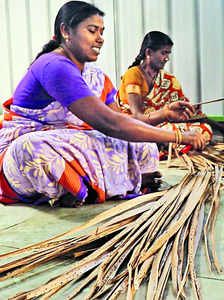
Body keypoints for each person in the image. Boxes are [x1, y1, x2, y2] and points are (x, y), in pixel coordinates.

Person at [0, 1, 205, 207]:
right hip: (26, 153)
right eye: (92, 31)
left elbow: (122, 120)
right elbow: (111, 124)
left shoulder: (95, 75)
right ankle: (96, 185)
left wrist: (164, 114)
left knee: (143, 145)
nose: (100, 38)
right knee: (31, 147)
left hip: (72, 140)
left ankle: (93, 184)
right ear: (66, 31)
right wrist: (179, 136)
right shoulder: (53, 66)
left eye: (101, 31)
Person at [117, 31, 224, 157]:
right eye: (163, 53)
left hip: (161, 126)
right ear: (148, 53)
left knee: (204, 129)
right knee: (170, 133)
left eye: (168, 53)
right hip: (136, 128)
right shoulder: (133, 74)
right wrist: (164, 114)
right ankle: (162, 146)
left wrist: (219, 126)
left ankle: (165, 146)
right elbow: (137, 117)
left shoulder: (167, 79)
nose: (167, 58)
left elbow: (187, 111)